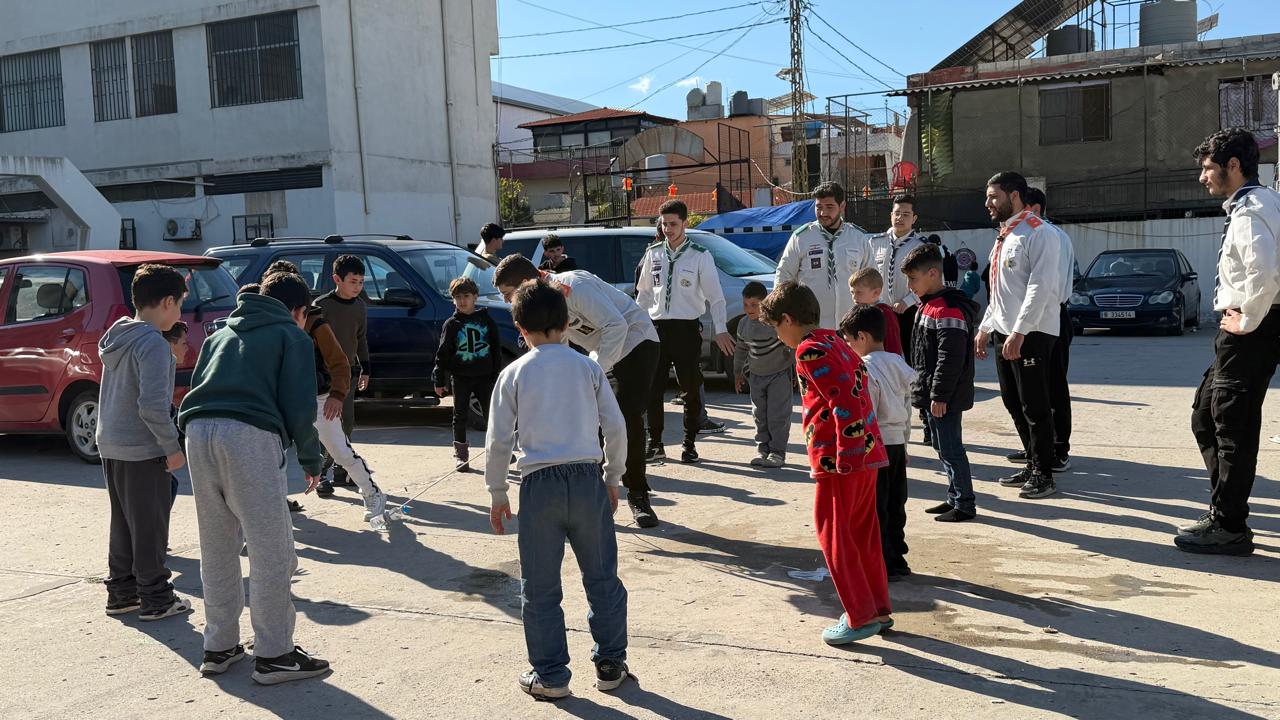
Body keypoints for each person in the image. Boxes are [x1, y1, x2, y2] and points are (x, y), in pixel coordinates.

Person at [179, 272, 331, 685]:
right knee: (271, 549)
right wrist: (311, 458)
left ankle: (220, 645)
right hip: (249, 435)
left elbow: (198, 385)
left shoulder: (220, 333)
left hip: (198, 431)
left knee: (218, 545)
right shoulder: (291, 335)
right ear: (298, 311)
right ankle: (275, 654)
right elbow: (300, 405)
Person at [484, 279, 630, 700]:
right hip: (587, 479)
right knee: (602, 577)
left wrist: (497, 492)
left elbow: (497, 441)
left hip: (538, 485)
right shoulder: (588, 367)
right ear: (568, 323)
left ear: (519, 327)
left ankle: (550, 676)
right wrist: (613, 478)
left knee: (541, 586)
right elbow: (616, 427)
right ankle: (609, 664)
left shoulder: (513, 373)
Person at [761, 281, 891, 645]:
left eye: (776, 327)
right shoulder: (835, 340)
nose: (778, 335)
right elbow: (861, 384)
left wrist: (847, 455)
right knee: (864, 534)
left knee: (835, 536)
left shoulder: (809, 350)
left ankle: (860, 615)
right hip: (865, 455)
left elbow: (841, 402)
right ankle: (877, 608)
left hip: (841, 462)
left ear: (788, 319)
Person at [494, 254, 662, 529]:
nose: (505, 301)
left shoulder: (572, 285)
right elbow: (560, 345)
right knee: (588, 418)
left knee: (625, 418)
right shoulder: (546, 302)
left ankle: (638, 496)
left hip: (637, 343)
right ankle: (594, 495)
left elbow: (616, 325)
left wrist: (592, 372)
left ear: (525, 282)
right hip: (606, 353)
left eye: (507, 294)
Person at [1178, 128, 1280, 556]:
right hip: (1248, 327)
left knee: (1231, 424)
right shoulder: (1260, 203)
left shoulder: (1251, 211)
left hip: (1250, 329)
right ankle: (1225, 511)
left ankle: (1230, 526)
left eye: (1207, 168)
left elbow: (1265, 272)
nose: (1203, 177)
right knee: (1206, 416)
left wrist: (1249, 318)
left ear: (1233, 166)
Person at [97, 264, 191, 621]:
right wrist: (172, 446)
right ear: (167, 302)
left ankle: (122, 594)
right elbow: (152, 406)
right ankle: (157, 599)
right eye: (180, 304)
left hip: (112, 444)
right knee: (151, 525)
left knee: (123, 523)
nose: (180, 313)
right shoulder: (152, 342)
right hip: (142, 447)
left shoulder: (119, 334)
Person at [975, 171, 1066, 500]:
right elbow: (1000, 291)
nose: (988, 203)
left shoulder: (1038, 233)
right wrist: (986, 326)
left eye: (993, 196)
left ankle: (1044, 473)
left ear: (1014, 196)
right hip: (1006, 331)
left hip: (1033, 332)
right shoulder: (1005, 235)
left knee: (1035, 404)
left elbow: (1040, 287)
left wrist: (1019, 332)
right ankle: (1032, 461)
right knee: (1013, 401)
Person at [635, 199, 735, 465]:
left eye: (673, 224)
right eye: (664, 224)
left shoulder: (700, 255)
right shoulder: (653, 253)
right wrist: (635, 326)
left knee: (690, 389)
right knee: (653, 390)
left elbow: (716, 297)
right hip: (657, 329)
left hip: (686, 329)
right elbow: (644, 294)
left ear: (685, 223)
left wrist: (722, 329)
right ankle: (655, 443)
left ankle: (689, 443)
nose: (668, 229)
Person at [904, 244, 981, 522]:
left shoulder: (947, 309)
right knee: (941, 446)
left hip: (944, 397)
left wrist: (939, 396)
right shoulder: (928, 305)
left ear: (933, 274)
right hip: (933, 394)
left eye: (913, 279)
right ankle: (953, 496)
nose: (910, 285)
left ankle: (964, 503)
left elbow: (950, 358)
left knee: (951, 449)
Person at [840, 304, 917, 578]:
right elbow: (907, 409)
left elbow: (867, 409)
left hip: (877, 446)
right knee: (897, 504)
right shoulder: (898, 362)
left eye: (849, 341)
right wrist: (906, 444)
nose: (849, 347)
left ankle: (882, 561)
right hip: (897, 444)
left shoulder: (865, 367)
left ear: (862, 337)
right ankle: (898, 558)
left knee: (877, 505)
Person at [1018, 187, 1075, 471]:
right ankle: (1035, 448)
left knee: (1053, 385)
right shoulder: (1019, 235)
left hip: (1050, 316)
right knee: (1030, 392)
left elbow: (1049, 286)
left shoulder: (1050, 236)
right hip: (1028, 318)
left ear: (1034, 209)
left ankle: (1058, 449)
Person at [775, 182, 872, 329]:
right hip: (811, 325)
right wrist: (781, 312)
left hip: (851, 326)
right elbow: (784, 275)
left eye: (829, 207)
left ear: (842, 206)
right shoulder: (802, 237)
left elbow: (872, 278)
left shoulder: (858, 238)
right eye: (818, 207)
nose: (823, 213)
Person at [433, 277, 503, 472]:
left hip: (485, 377)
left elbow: (496, 349)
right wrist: (439, 379)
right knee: (460, 416)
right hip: (461, 377)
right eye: (457, 297)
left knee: (493, 415)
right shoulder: (452, 324)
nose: (462, 301)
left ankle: (499, 452)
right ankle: (461, 455)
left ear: (475, 297)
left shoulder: (486, 320)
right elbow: (442, 353)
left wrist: (496, 375)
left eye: (466, 296)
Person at [315, 255, 370, 496]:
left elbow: (361, 339)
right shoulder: (320, 307)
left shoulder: (359, 307)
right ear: (337, 279)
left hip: (346, 374)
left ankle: (341, 469)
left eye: (361, 282)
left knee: (346, 421)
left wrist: (365, 369)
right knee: (324, 427)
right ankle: (320, 473)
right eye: (353, 281)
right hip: (322, 375)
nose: (357, 287)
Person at [733, 280, 793, 469]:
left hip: (779, 375)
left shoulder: (775, 323)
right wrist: (738, 373)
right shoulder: (743, 325)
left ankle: (777, 452)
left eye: (754, 305)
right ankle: (763, 449)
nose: (749, 309)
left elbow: (791, 345)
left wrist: (796, 371)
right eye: (745, 305)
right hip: (756, 377)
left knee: (778, 415)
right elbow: (741, 350)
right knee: (760, 415)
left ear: (765, 303)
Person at [868, 195, 925, 356]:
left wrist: (908, 301)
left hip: (908, 312)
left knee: (909, 356)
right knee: (879, 357)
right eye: (897, 213)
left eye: (906, 214)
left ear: (914, 218)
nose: (900, 218)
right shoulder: (875, 242)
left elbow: (927, 283)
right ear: (891, 215)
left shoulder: (921, 246)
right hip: (878, 311)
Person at [161, 320, 189, 510]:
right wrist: (172, 449)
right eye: (184, 343)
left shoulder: (166, 362)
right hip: (147, 450)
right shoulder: (162, 361)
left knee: (170, 486)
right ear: (171, 344)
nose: (187, 348)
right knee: (167, 488)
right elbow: (153, 408)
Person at [849, 268, 903, 355]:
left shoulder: (885, 313)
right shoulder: (859, 312)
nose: (854, 297)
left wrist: (890, 365)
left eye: (859, 292)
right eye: (852, 292)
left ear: (876, 293)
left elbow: (893, 344)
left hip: (884, 364)